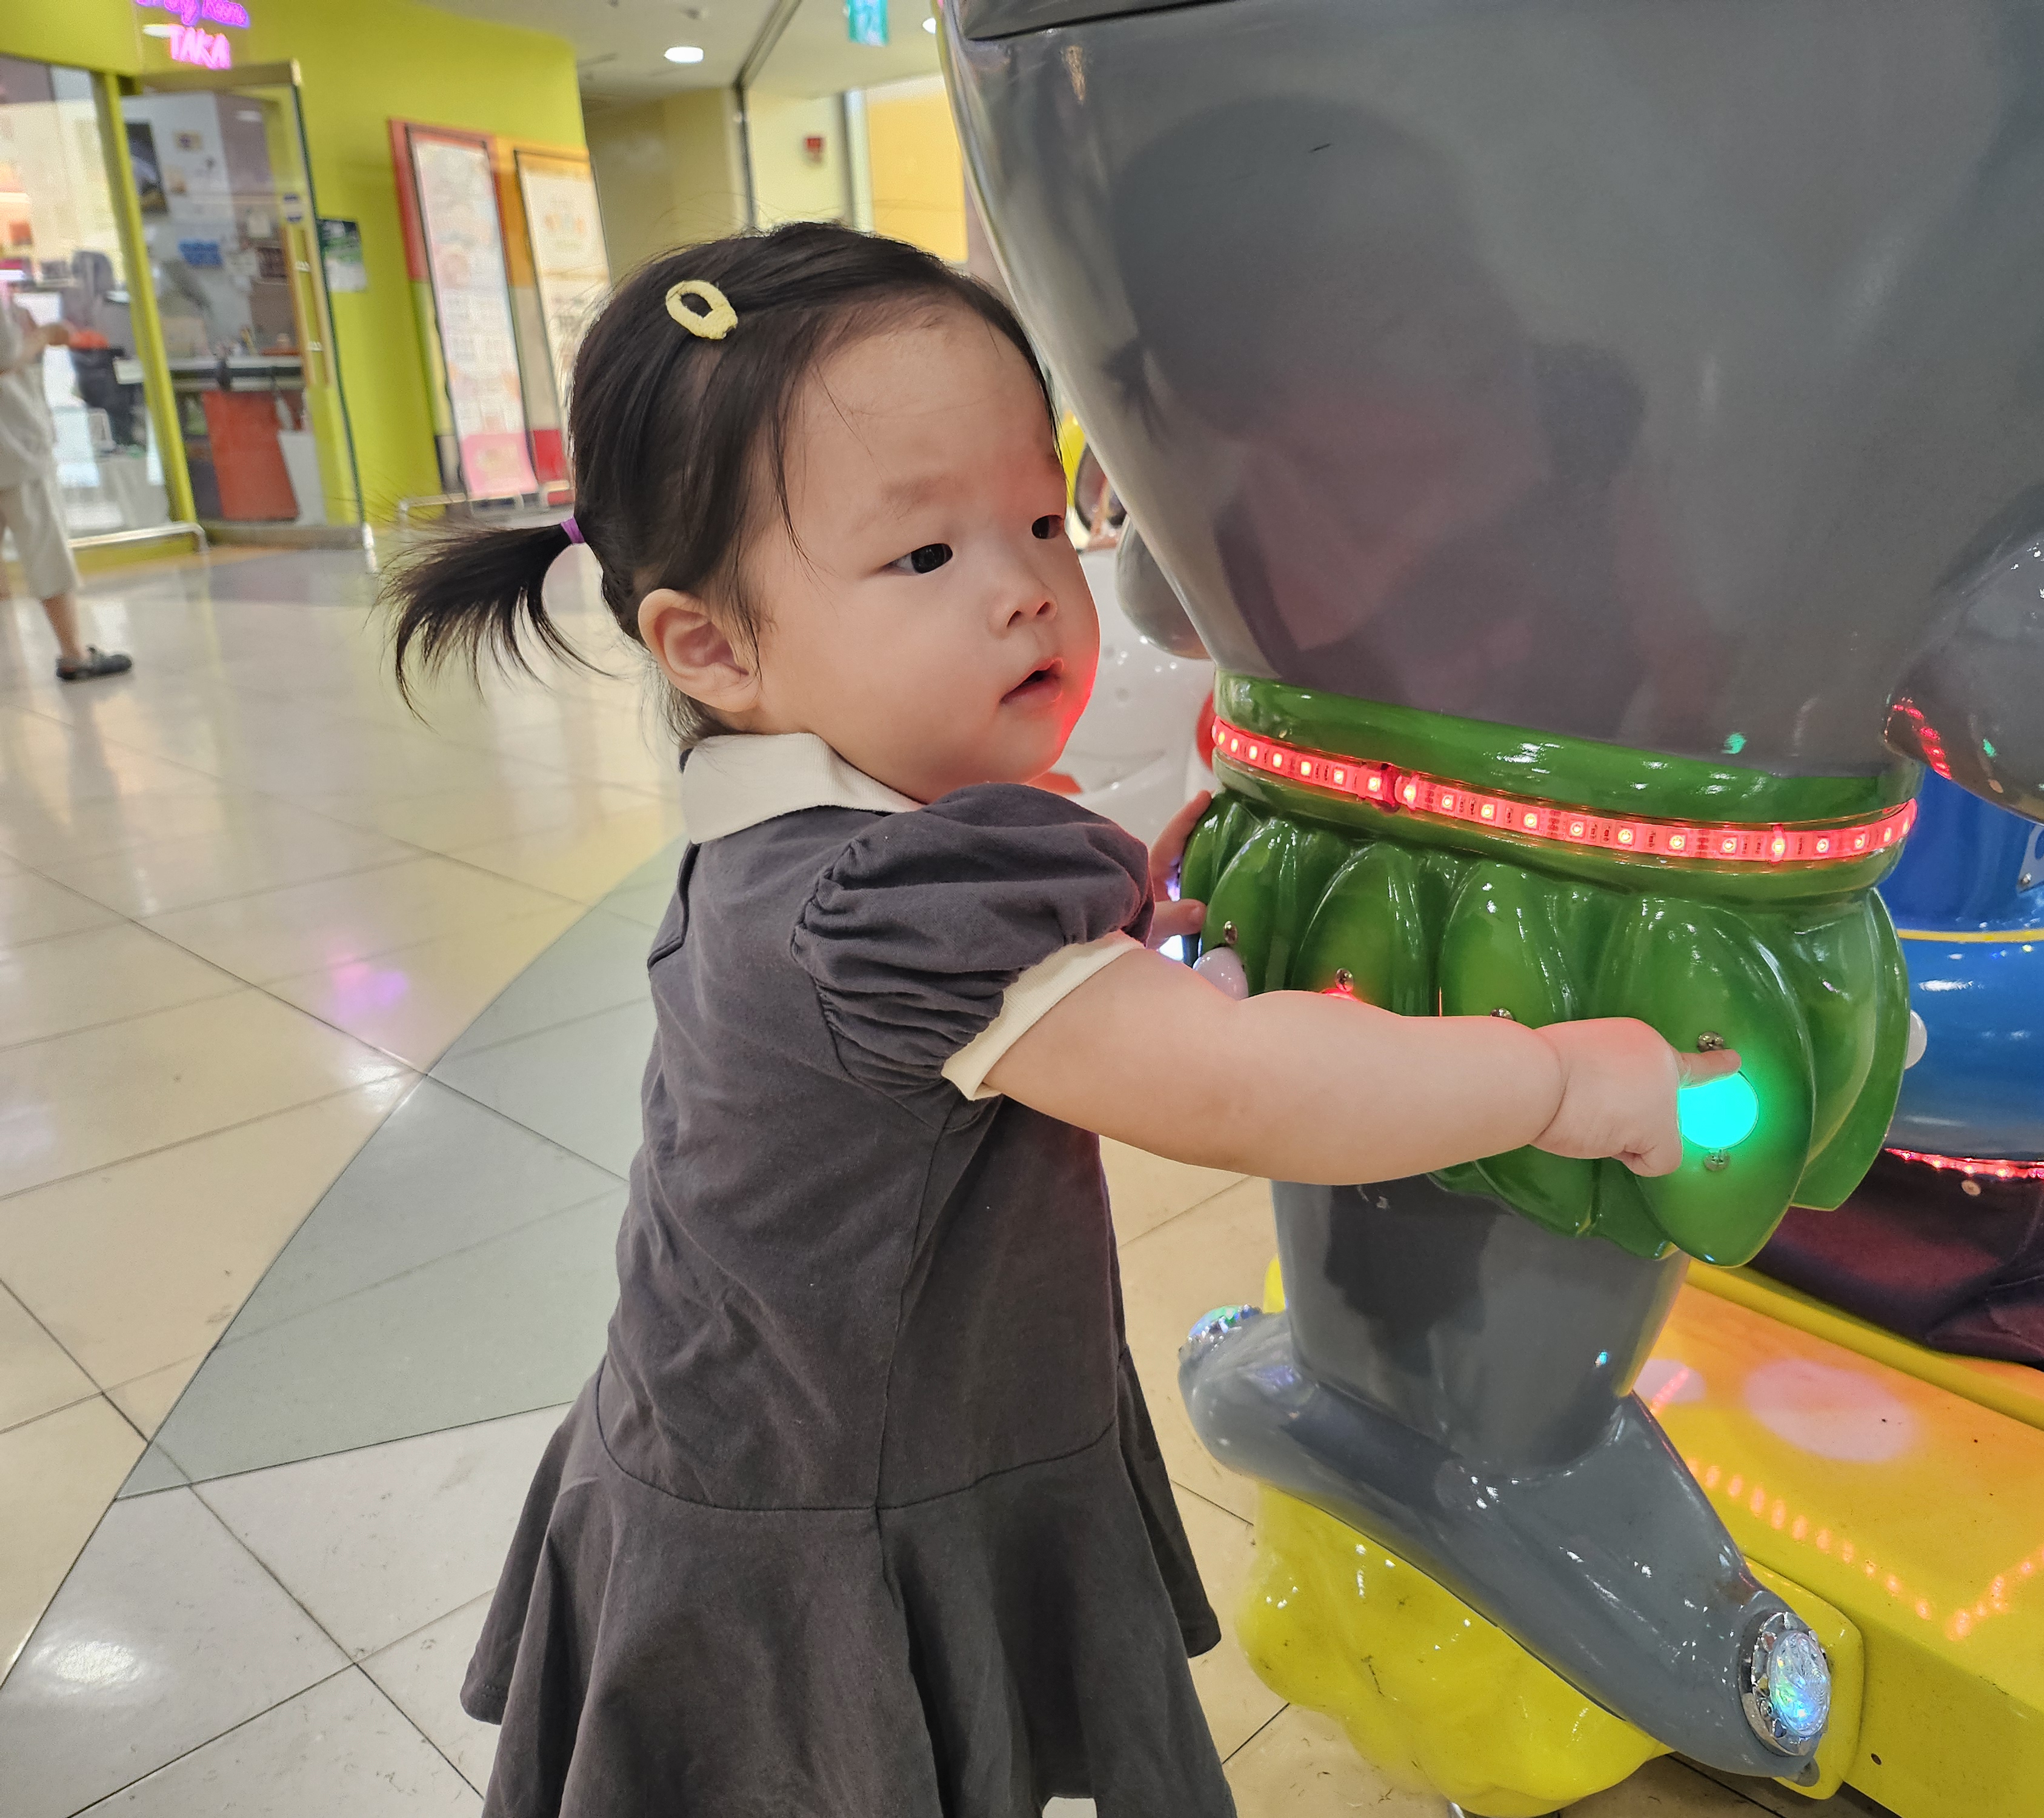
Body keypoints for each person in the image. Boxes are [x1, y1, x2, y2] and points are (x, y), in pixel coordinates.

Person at [384, 222, 1729, 1818]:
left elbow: (1011, 1026)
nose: (1029, 590)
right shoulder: (885, 902)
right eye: (925, 556)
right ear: (711, 647)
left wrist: (1138, 914)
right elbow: (1240, 1090)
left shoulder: (809, 830)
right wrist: (1566, 1082)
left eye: (1042, 518)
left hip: (776, 1426)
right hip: (828, 1521)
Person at [0, 284, 132, 682]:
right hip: (13, 445)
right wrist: (45, 334)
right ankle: (74, 653)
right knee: (46, 547)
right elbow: (6, 357)